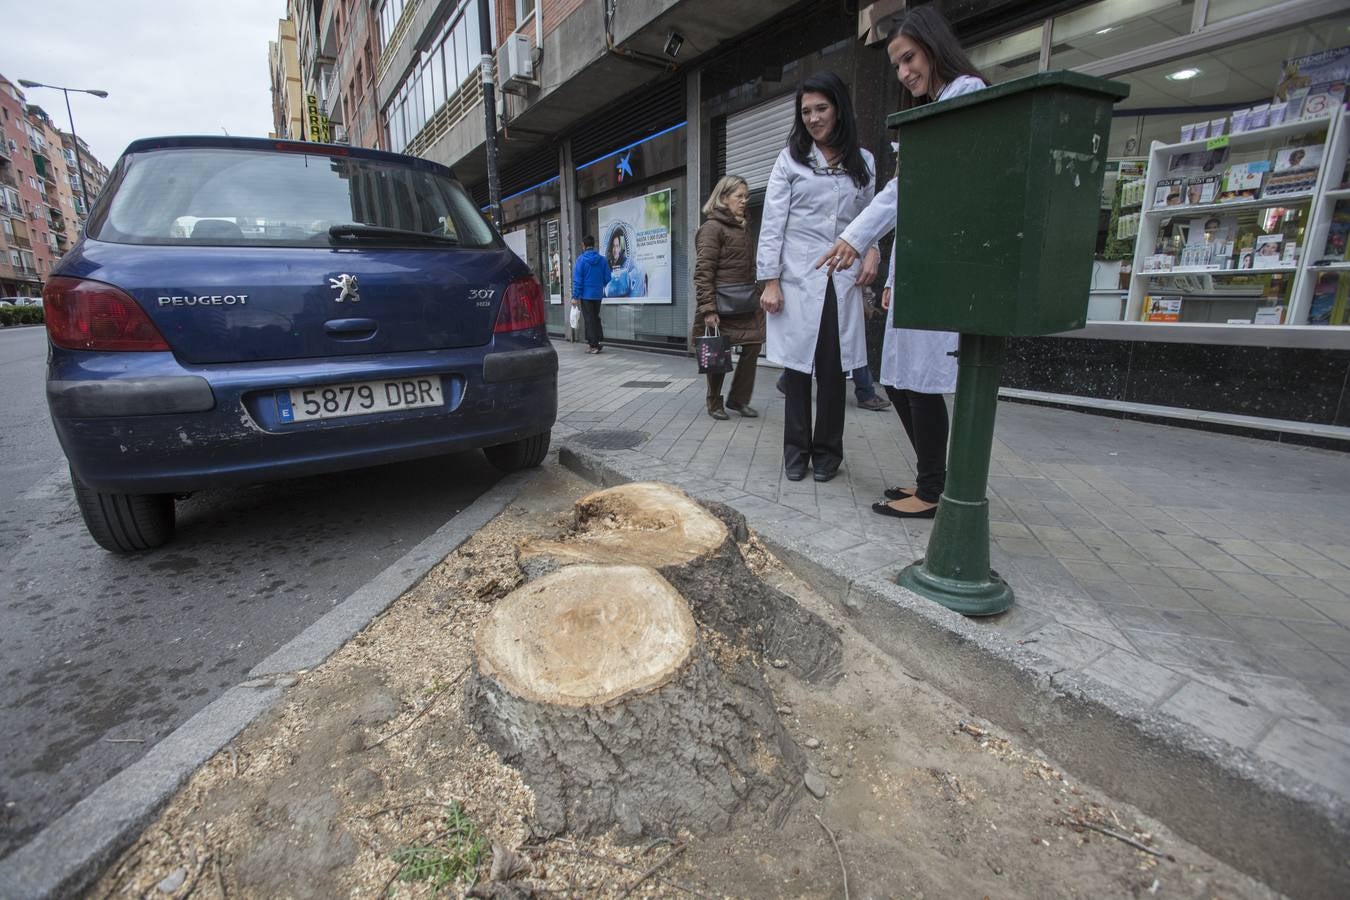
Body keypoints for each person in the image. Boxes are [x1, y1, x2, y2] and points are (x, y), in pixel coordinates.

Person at [815, 5, 987, 518]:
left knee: (920, 380)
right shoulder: (936, 106)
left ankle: (934, 492)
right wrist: (889, 272)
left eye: (909, 58)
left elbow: (909, 192)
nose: (903, 72)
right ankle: (932, 481)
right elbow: (908, 198)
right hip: (917, 266)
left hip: (942, 265)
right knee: (898, 377)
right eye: (895, 64)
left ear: (934, 48)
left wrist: (855, 236)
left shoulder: (965, 96)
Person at [758, 70, 881, 482]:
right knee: (796, 369)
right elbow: (773, 223)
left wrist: (873, 251)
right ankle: (796, 451)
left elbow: (872, 219)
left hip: (842, 279)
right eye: (806, 110)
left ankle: (828, 452)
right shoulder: (790, 158)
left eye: (821, 108)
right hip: (796, 277)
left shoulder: (863, 162)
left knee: (833, 368)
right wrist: (770, 280)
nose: (813, 118)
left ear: (839, 108)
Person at [693, 175, 765, 420]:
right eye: (739, 196)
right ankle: (714, 401)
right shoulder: (711, 228)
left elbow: (750, 266)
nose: (745, 201)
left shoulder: (744, 227)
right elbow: (703, 271)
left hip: (744, 302)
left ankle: (739, 399)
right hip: (720, 304)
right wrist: (708, 308)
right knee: (717, 351)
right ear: (723, 198)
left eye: (747, 196)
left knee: (754, 344)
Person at [571, 234, 608, 353]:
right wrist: (599, 283)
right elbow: (608, 277)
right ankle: (597, 342)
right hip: (598, 294)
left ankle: (593, 346)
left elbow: (578, 280)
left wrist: (575, 296)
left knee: (589, 319)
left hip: (586, 295)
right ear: (594, 245)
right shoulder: (602, 260)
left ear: (583, 246)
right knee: (595, 317)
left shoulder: (581, 260)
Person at [603, 227, 647, 298]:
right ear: (610, 247)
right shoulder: (607, 263)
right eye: (613, 246)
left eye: (617, 246)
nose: (615, 249)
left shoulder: (627, 263)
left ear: (620, 248)